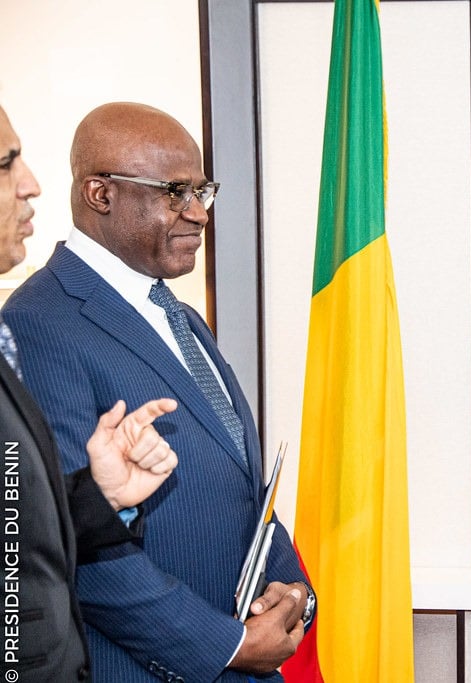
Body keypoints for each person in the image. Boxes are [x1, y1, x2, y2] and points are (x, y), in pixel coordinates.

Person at [3, 102, 314, 681]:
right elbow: (70, 538)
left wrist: (292, 591)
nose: (198, 213)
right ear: (101, 194)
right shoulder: (37, 322)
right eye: (175, 193)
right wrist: (225, 646)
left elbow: (241, 489)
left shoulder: (181, 316)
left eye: (202, 191)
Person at [0, 102, 180, 681]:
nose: (31, 184)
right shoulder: (38, 318)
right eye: (5, 164)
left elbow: (15, 533)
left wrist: (100, 495)